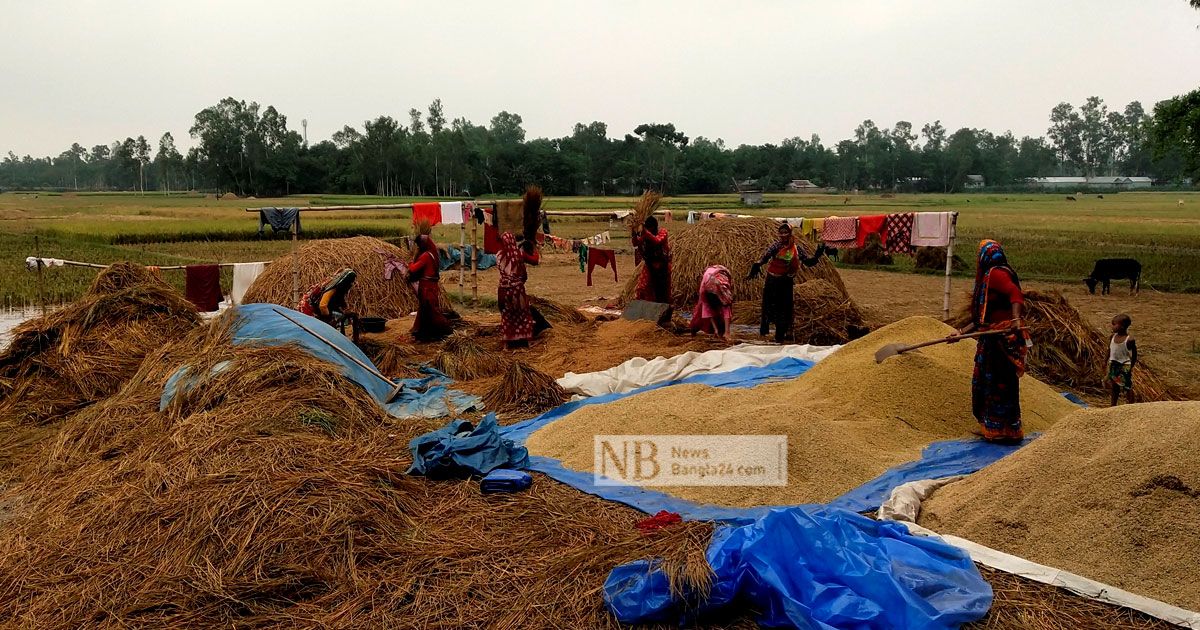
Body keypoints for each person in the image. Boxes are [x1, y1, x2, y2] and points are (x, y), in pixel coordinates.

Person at [951, 239, 1030, 443]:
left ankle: (1005, 431)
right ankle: (994, 429)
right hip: (990, 337)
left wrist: (1014, 319)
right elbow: (982, 320)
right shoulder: (990, 276)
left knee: (999, 384)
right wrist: (960, 333)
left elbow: (1015, 295)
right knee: (990, 385)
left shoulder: (996, 274)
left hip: (1000, 340)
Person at [748, 223, 825, 343]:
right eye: (781, 232)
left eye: (785, 232)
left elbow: (807, 262)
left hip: (786, 282)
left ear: (790, 233)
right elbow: (765, 258)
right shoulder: (775, 246)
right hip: (772, 281)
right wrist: (757, 265)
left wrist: (816, 256)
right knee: (770, 307)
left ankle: (781, 333)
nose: (783, 235)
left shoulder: (796, 248)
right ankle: (766, 332)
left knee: (784, 308)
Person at [496, 232, 547, 349]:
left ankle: (506, 344)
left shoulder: (498, 255)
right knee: (524, 315)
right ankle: (529, 341)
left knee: (507, 316)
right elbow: (535, 260)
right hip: (516, 291)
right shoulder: (519, 255)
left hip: (503, 291)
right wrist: (534, 247)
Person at [406, 234, 452, 342]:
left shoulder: (426, 256)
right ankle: (423, 332)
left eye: (418, 245)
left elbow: (413, 269)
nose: (418, 247)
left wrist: (410, 263)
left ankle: (445, 330)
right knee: (425, 309)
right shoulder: (432, 254)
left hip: (427, 287)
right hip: (431, 286)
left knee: (431, 309)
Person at [300, 267, 359, 338]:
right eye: (350, 281)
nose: (351, 284)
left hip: (317, 310)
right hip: (308, 310)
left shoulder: (336, 287)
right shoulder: (332, 287)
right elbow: (322, 305)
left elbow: (338, 304)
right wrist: (329, 320)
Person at [632, 215, 670, 303]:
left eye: (651, 228)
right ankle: (644, 305)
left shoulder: (663, 232)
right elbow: (636, 243)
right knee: (642, 286)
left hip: (662, 265)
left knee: (662, 288)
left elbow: (657, 240)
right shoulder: (645, 234)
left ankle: (663, 306)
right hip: (649, 263)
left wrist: (645, 232)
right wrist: (634, 234)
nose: (650, 230)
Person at [691, 265, 733, 341]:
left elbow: (726, 308)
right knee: (707, 307)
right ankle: (717, 330)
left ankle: (725, 331)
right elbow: (708, 311)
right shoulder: (704, 293)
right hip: (709, 282)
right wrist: (715, 330)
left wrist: (727, 332)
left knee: (725, 305)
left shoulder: (724, 290)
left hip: (720, 278)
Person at [1108, 313, 1138, 406]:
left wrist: (1131, 365)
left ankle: (1131, 405)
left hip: (1124, 365)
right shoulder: (1112, 337)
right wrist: (1106, 361)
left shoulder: (1129, 340)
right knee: (1114, 385)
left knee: (1127, 386)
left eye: (1114, 324)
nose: (1112, 326)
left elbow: (1134, 354)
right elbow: (1109, 350)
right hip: (1113, 363)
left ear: (1122, 326)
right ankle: (1113, 405)